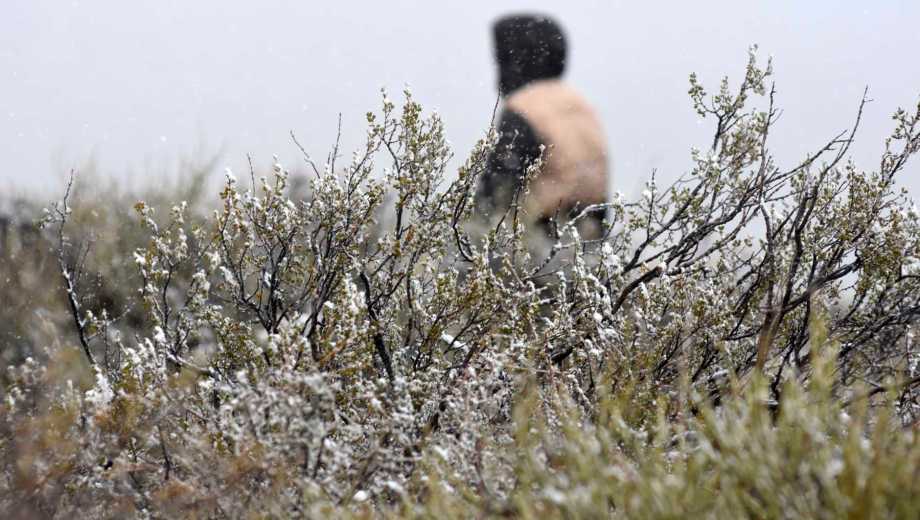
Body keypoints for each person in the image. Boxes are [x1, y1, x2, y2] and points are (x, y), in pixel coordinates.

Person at [475, 14, 609, 239]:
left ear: (517, 60)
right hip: (589, 241)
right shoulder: (582, 106)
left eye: (501, 59)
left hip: (542, 243)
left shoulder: (524, 107)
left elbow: (495, 191)